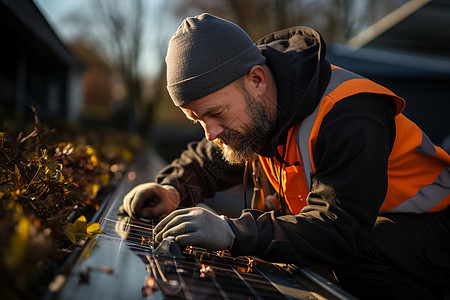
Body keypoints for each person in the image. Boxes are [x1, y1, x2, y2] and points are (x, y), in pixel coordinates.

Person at [121, 13, 450, 299]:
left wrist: (232, 232)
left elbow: (339, 230)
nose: (211, 132)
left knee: (354, 255)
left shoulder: (349, 114)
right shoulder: (255, 111)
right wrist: (171, 189)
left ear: (257, 80)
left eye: (216, 113)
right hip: (376, 236)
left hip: (431, 233)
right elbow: (209, 158)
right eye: (198, 121)